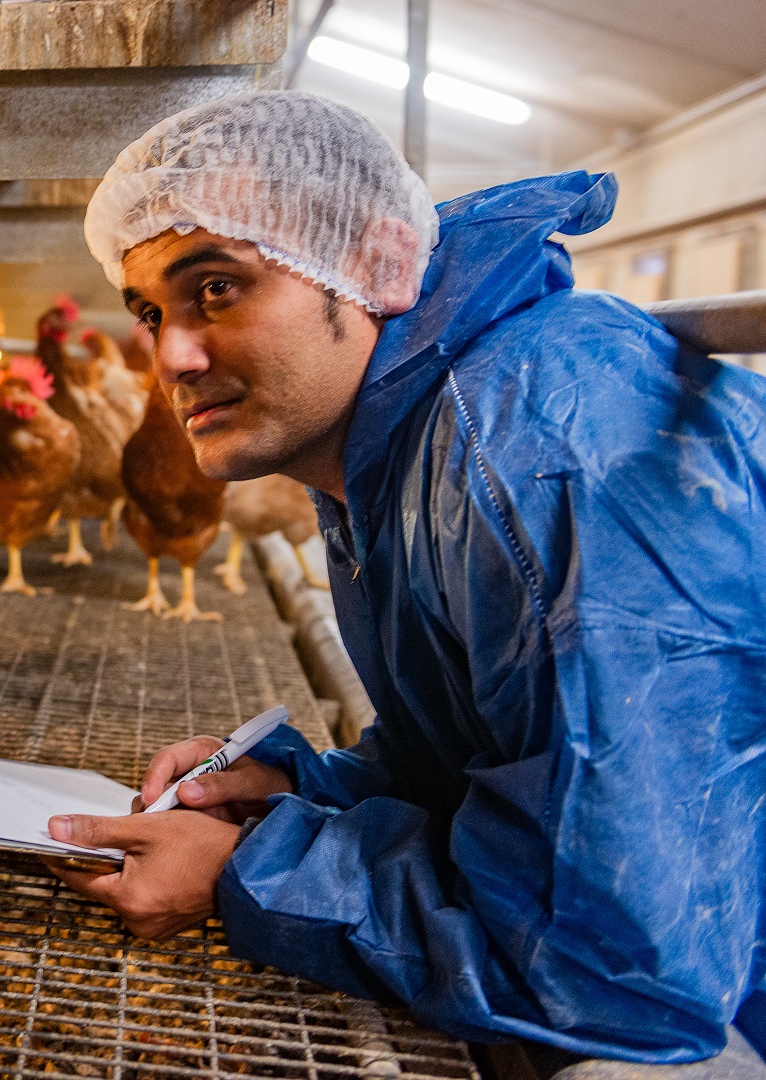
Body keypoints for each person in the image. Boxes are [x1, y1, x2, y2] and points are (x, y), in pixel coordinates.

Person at [52, 90, 766, 1062]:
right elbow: (499, 751)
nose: (170, 355)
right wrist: (299, 791)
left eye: (216, 288)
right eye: (149, 311)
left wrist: (248, 867)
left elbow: (613, 962)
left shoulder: (538, 454)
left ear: (379, 265)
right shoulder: (392, 453)